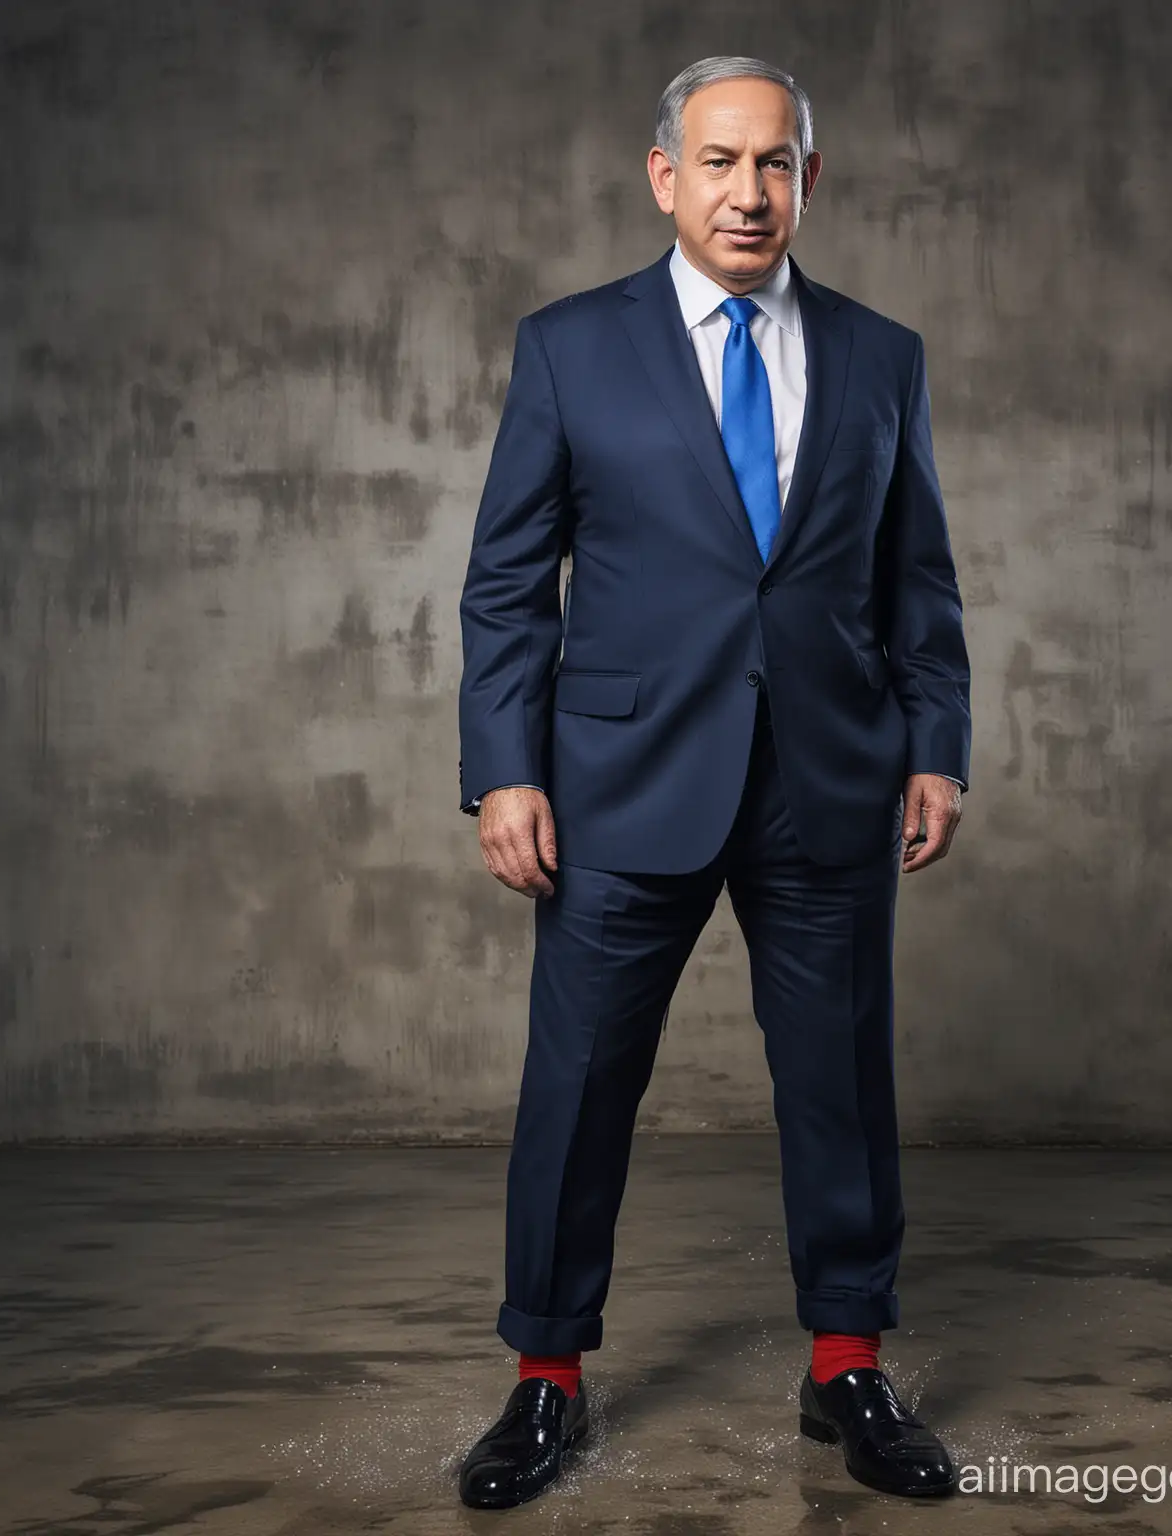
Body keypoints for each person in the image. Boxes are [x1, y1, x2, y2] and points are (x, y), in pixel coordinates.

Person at [454, 53, 971, 1508]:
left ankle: (848, 1365)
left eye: (776, 164)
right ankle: (544, 1381)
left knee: (840, 1085)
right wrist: (505, 772)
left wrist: (938, 742)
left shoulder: (882, 355)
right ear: (664, 177)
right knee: (578, 1085)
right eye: (720, 161)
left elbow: (914, 576)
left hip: (829, 774)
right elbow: (506, 584)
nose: (750, 192)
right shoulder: (570, 347)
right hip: (619, 779)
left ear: (811, 180)